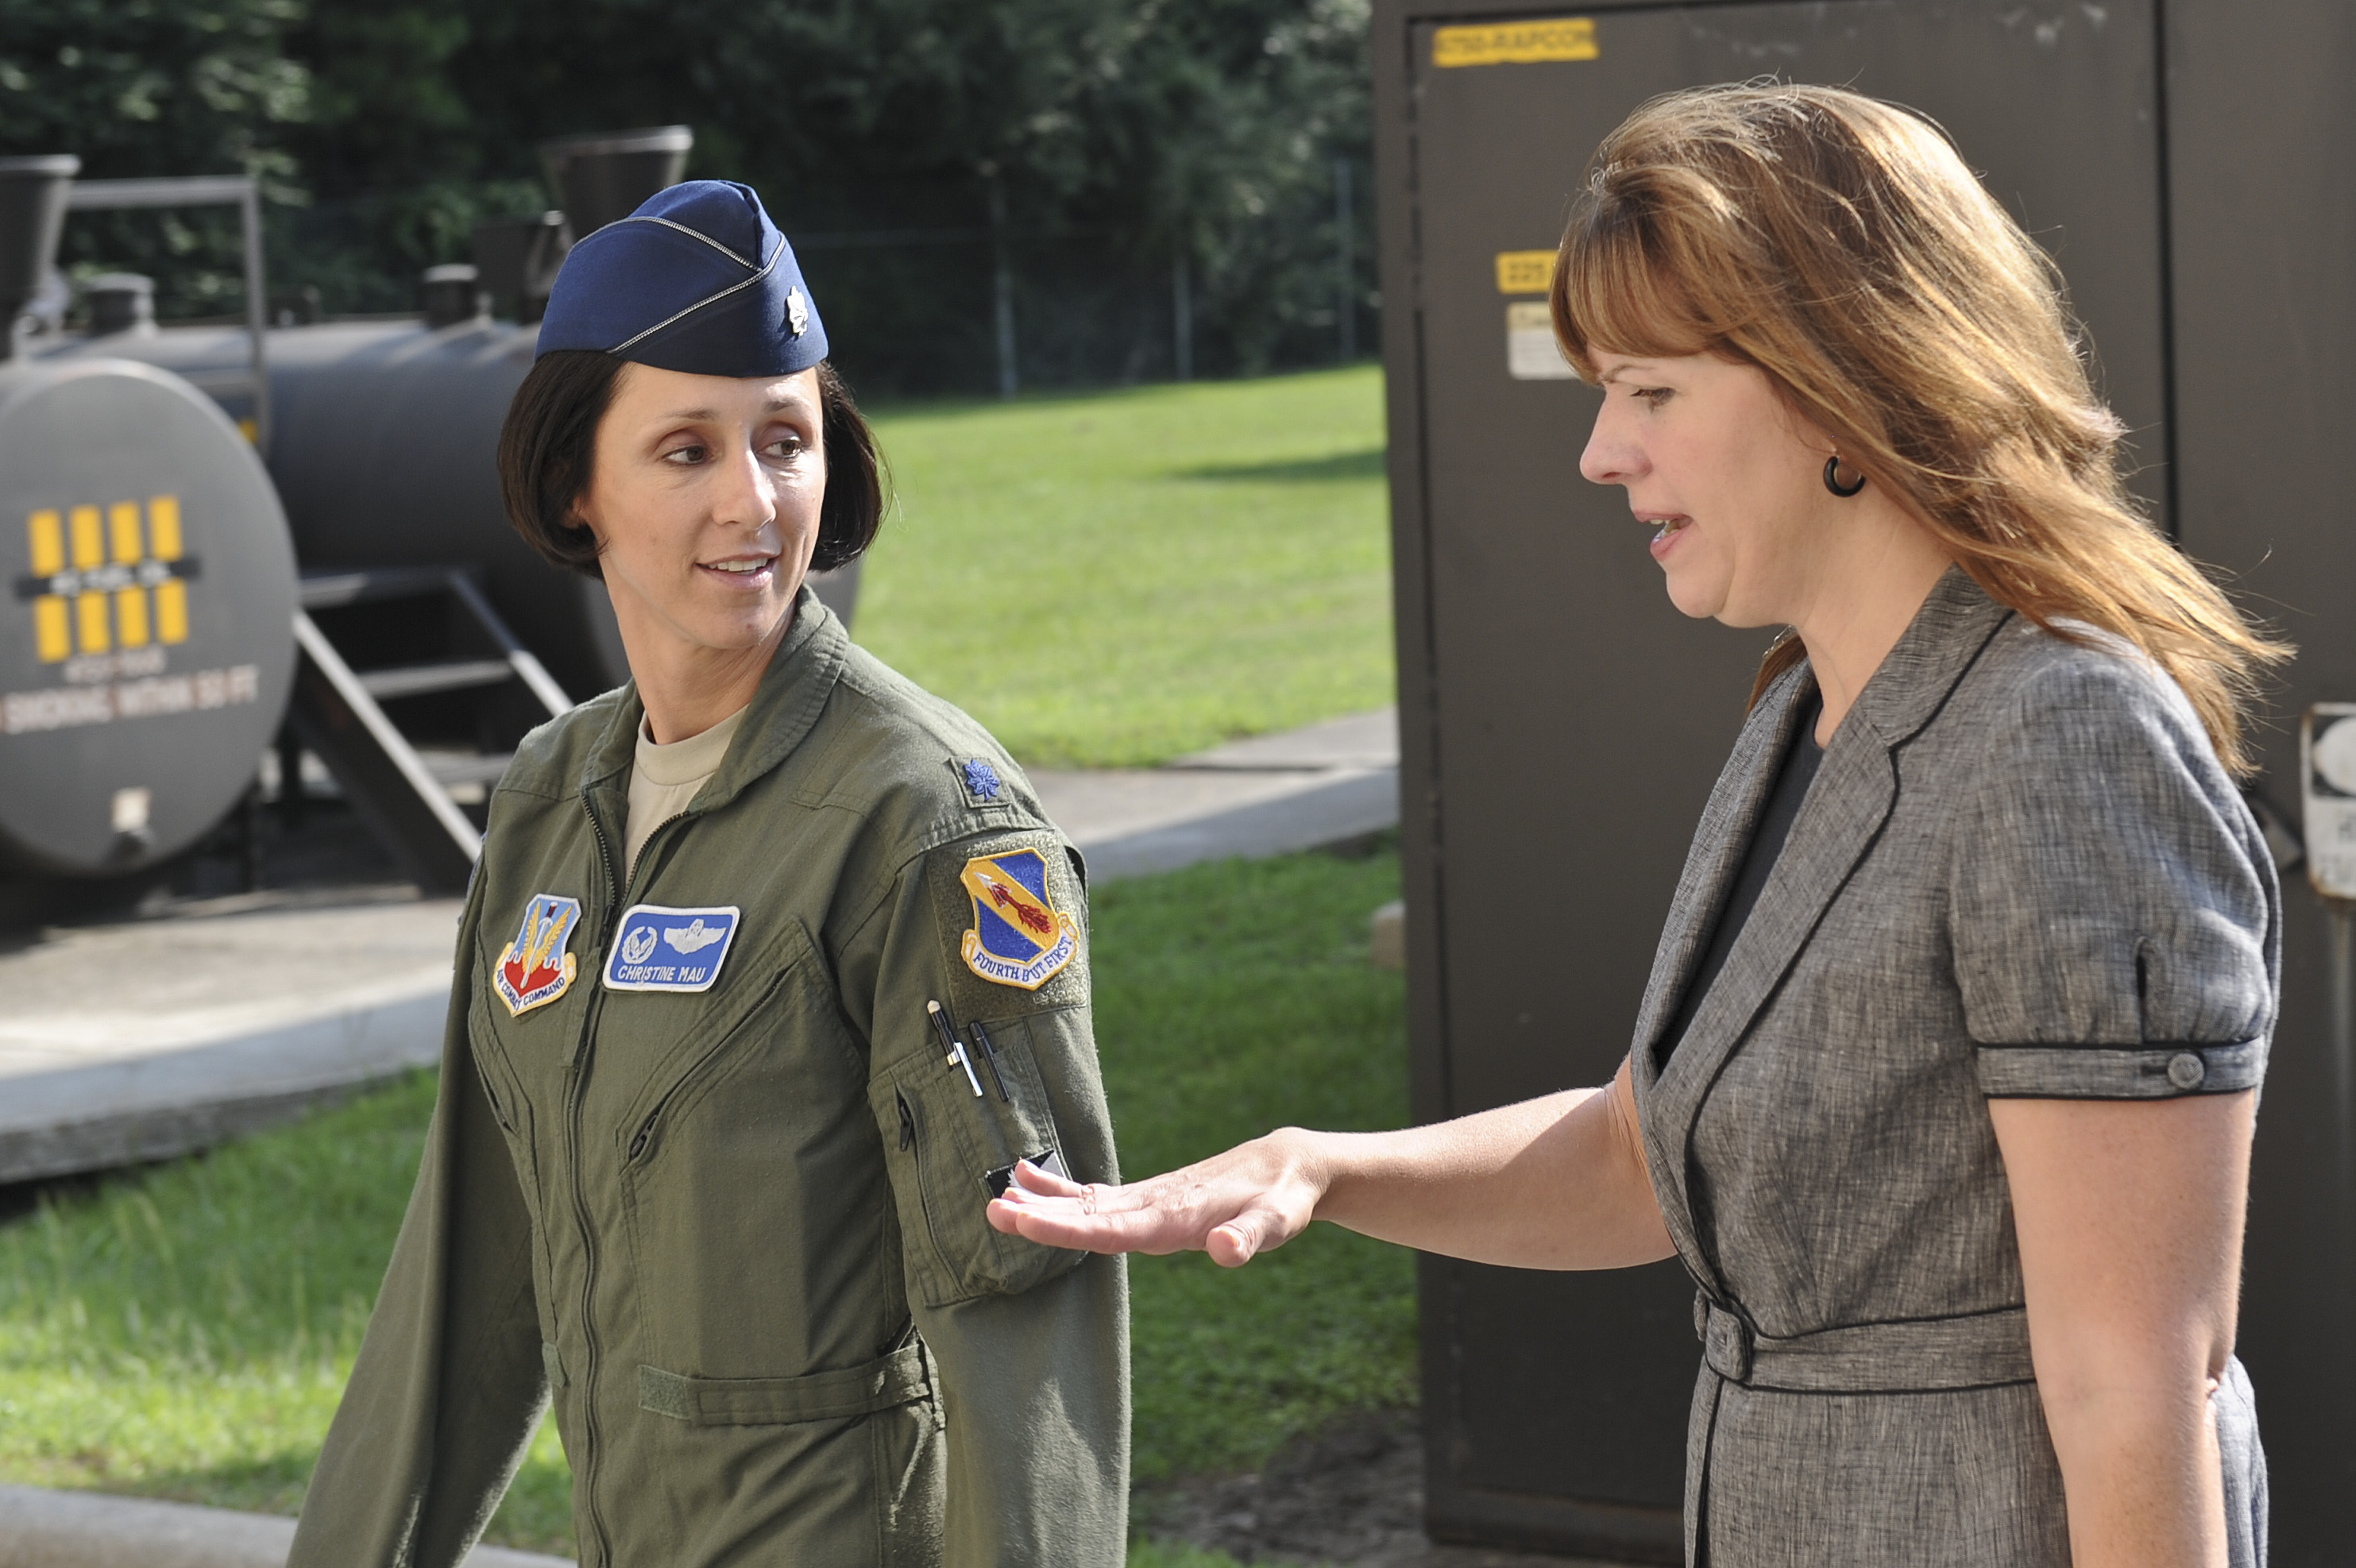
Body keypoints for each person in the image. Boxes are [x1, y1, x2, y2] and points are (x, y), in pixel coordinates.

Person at [990, 83, 2282, 1568]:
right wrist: (1317, 1164)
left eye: (1651, 391)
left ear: (1845, 379)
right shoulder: (1803, 709)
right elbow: (1644, 1153)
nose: (1602, 452)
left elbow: (2137, 1385)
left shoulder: (2064, 737)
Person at [289, 180, 1128, 1567]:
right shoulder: (550, 801)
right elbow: (472, 1261)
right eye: (685, 449)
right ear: (578, 483)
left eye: (785, 440)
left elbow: (1025, 1301)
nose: (753, 500)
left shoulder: (925, 821)